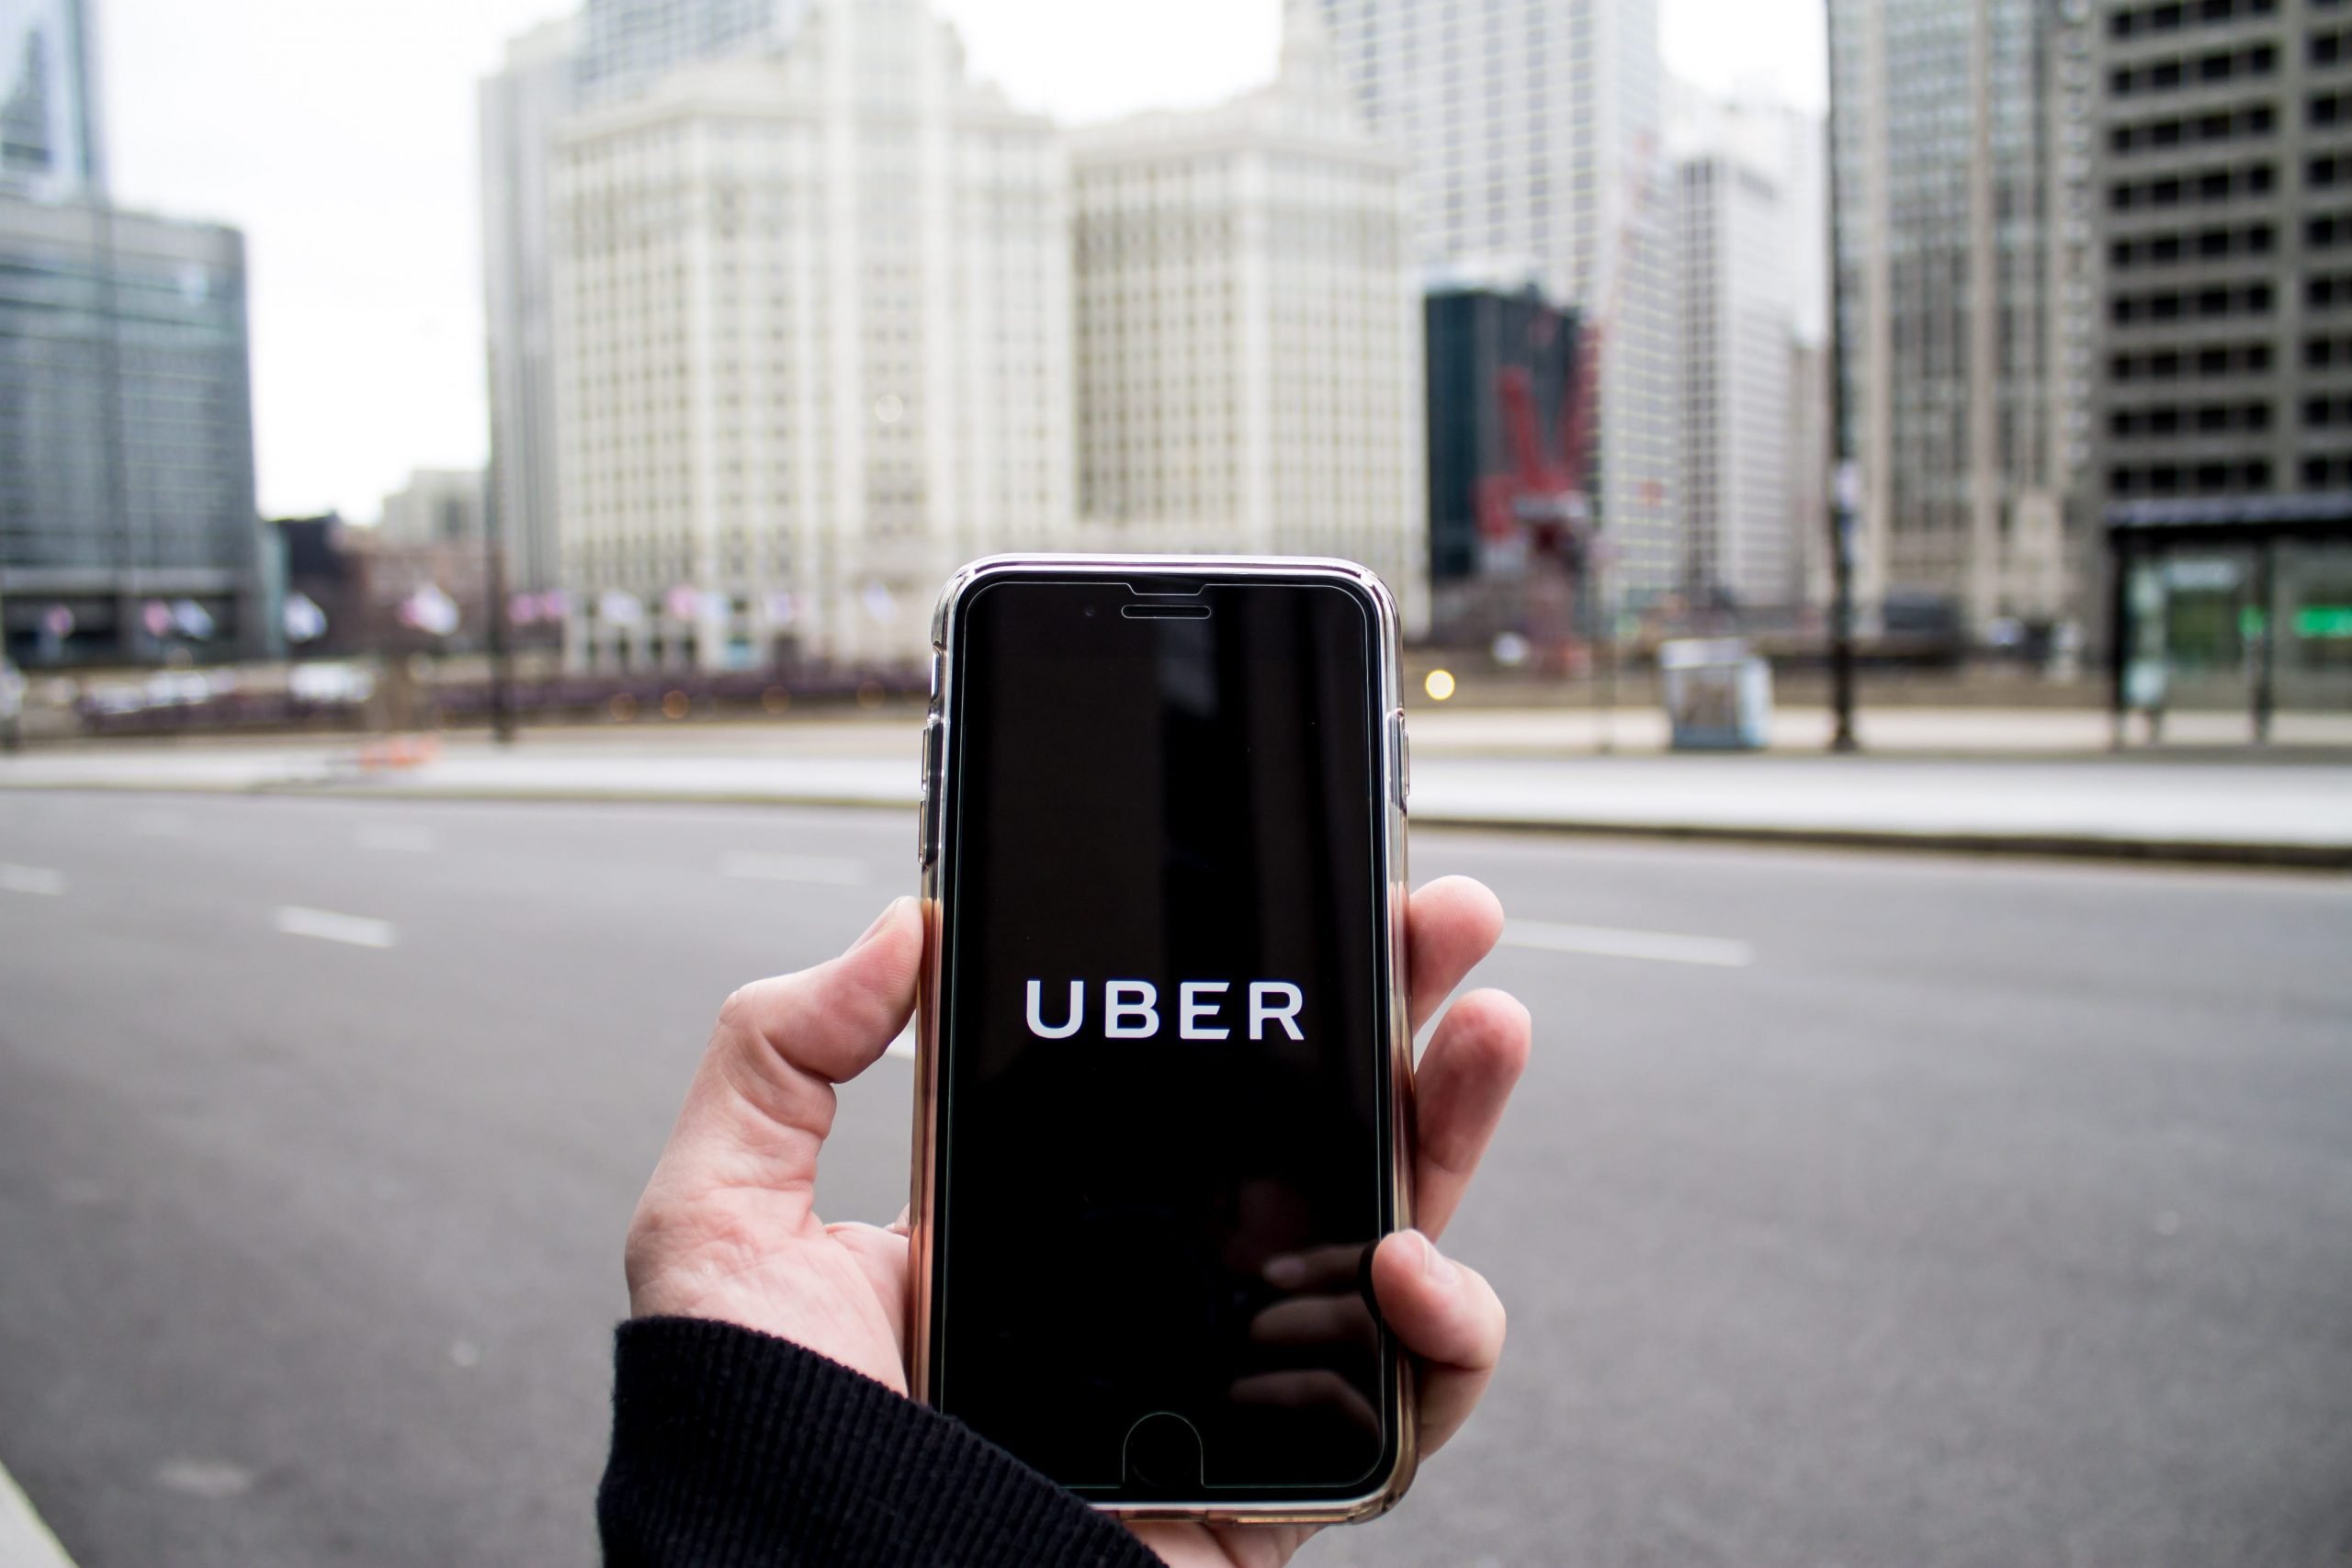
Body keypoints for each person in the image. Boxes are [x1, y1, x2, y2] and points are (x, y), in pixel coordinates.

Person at [601, 877, 1531, 1567]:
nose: (1154, 1277)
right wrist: (806, 1463)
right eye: (1123, 1224)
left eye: (1214, 1211)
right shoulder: (955, 1362)